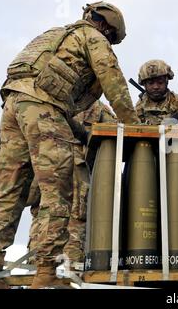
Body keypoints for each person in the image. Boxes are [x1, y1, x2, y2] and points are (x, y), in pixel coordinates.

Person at [0, 1, 139, 289]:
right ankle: (46, 272)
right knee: (57, 192)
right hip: (42, 107)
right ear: (106, 27)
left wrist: (79, 131)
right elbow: (113, 82)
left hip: (12, 106)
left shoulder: (54, 35)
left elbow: (59, 105)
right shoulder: (92, 37)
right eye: (111, 38)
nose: (108, 42)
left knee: (9, 193)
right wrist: (134, 126)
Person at [27, 100, 116, 269]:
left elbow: (116, 132)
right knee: (37, 261)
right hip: (49, 183)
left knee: (74, 266)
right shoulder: (47, 102)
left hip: (79, 194)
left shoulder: (98, 109)